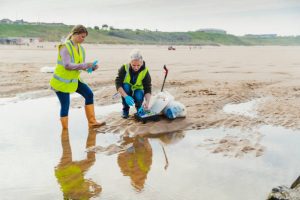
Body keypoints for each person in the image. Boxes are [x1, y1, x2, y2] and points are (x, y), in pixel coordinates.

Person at [50, 25, 105, 129]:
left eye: (84, 37)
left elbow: (80, 66)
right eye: (82, 36)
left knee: (89, 94)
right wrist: (85, 65)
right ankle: (65, 131)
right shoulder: (65, 47)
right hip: (60, 82)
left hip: (74, 80)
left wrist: (90, 68)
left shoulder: (81, 48)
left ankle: (92, 122)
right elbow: (67, 65)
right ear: (74, 34)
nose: (83, 39)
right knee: (65, 105)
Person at [55, 129, 102, 199]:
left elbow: (99, 189)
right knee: (66, 148)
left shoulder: (84, 197)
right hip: (60, 172)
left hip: (72, 171)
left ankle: (92, 135)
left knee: (91, 160)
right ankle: (65, 129)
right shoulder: (68, 195)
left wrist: (89, 182)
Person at [115, 49, 152, 118]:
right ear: (130, 62)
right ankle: (125, 110)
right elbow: (118, 83)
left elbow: (148, 88)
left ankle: (139, 109)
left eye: (138, 65)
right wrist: (125, 96)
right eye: (133, 65)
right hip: (127, 89)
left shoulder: (145, 71)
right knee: (125, 86)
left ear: (141, 63)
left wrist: (147, 102)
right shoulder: (124, 68)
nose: (136, 67)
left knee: (138, 95)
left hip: (138, 89)